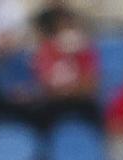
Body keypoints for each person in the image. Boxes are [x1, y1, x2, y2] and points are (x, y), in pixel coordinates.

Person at [29, 8, 100, 145]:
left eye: (69, 25)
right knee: (39, 113)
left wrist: (71, 90)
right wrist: (63, 91)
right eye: (62, 26)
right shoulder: (46, 50)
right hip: (55, 101)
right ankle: (44, 155)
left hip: (79, 99)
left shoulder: (84, 50)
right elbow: (44, 82)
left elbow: (91, 82)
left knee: (95, 110)